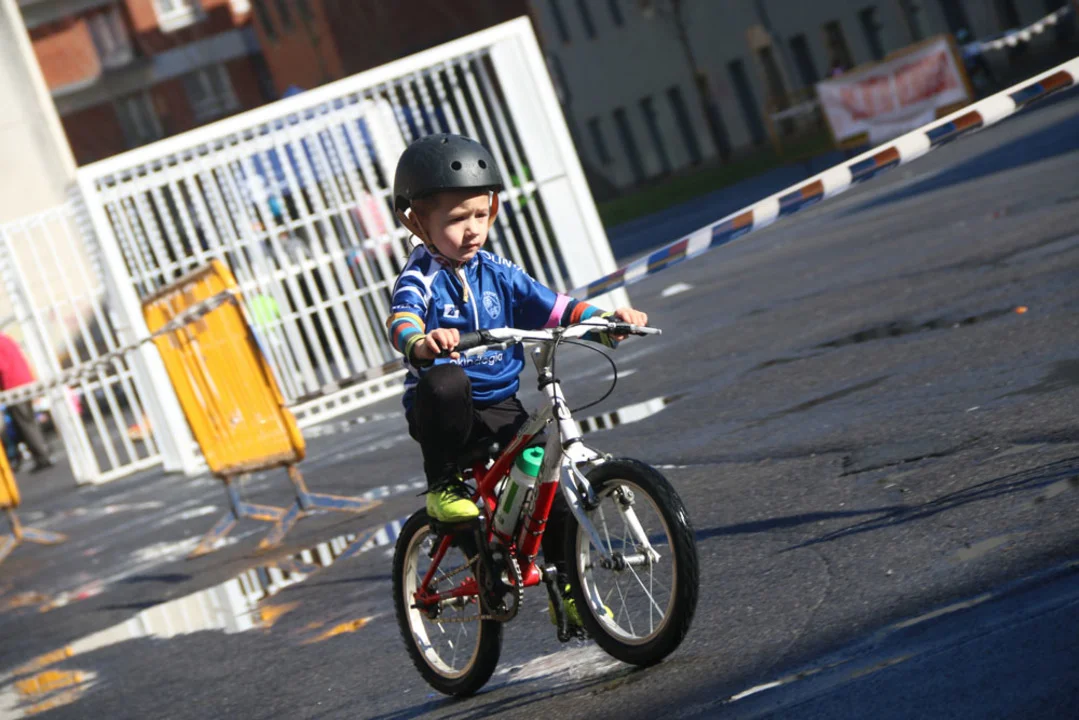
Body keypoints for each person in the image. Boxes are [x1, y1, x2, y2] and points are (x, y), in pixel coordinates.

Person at [0, 333, 53, 472]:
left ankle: (41, 455)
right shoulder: (6, 338)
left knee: (25, 423)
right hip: (24, 381)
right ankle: (42, 451)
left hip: (13, 386)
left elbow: (2, 367)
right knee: (28, 421)